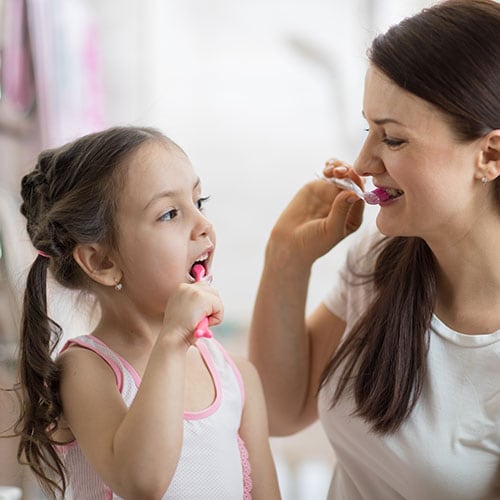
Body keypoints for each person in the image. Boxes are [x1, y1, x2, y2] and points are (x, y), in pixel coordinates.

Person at [249, 1, 500, 498]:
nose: (363, 161)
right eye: (368, 130)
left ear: (489, 155)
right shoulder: (383, 256)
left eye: (393, 139)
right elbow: (280, 410)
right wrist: (287, 258)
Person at [15, 126, 281, 499]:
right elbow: (141, 482)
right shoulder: (86, 372)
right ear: (102, 260)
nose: (203, 225)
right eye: (170, 213)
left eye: (198, 203)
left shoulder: (237, 378)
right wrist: (171, 341)